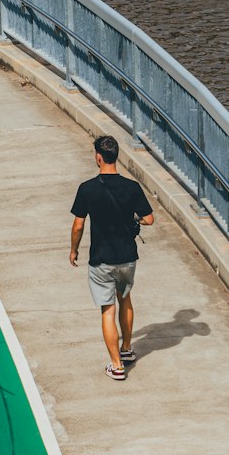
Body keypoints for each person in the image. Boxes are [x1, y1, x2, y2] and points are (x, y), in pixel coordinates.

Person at [69, 135, 154, 381]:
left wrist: (73, 250)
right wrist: (133, 219)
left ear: (98, 157)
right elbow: (148, 219)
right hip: (127, 257)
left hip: (101, 259)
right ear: (116, 156)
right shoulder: (132, 187)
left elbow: (78, 225)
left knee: (108, 309)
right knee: (125, 299)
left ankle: (116, 366)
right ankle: (127, 349)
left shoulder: (87, 188)